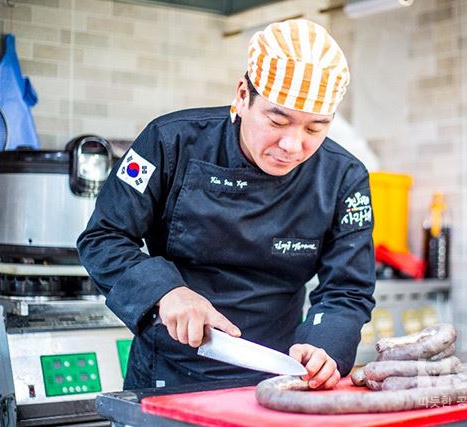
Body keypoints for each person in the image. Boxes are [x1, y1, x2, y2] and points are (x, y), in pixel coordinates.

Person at [77, 18, 375, 391]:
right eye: (277, 120)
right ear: (241, 95)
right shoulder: (170, 142)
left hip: (281, 381)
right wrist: (167, 292)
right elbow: (103, 237)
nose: (293, 145)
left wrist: (325, 348)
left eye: (314, 129)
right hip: (168, 376)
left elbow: (347, 289)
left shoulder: (343, 177)